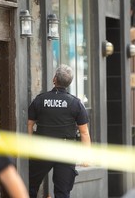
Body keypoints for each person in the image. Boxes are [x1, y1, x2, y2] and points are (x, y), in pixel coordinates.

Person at [27, 64, 91, 198]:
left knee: (31, 187)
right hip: (66, 151)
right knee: (62, 192)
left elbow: (30, 124)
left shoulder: (40, 99)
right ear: (69, 82)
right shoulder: (75, 103)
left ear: (54, 79)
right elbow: (84, 133)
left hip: (42, 148)